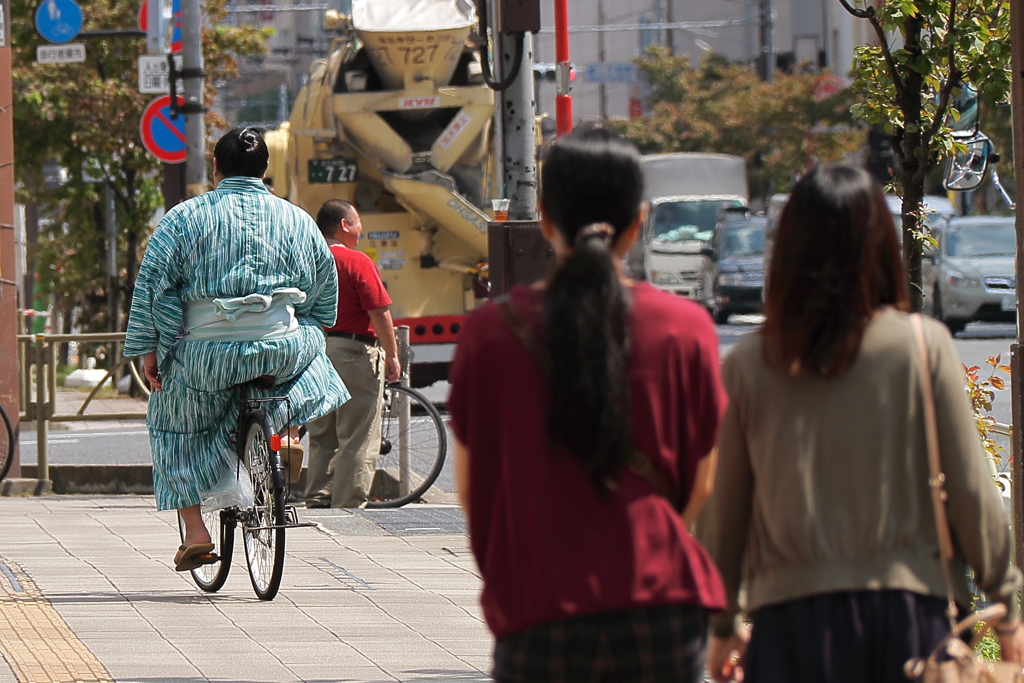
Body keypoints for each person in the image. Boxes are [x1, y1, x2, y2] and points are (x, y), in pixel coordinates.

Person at [699, 164, 1024, 682]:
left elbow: (724, 513)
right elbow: (970, 490)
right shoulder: (922, 346)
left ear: (786, 253)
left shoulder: (750, 365)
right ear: (881, 247)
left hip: (791, 625)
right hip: (911, 618)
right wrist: (1004, 603)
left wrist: (722, 626)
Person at [448, 129, 727, 682]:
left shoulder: (490, 333)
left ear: (546, 219)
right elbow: (702, 483)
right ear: (638, 221)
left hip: (540, 610)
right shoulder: (685, 328)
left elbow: (474, 490)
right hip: (659, 604)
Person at [124, 128, 350, 572]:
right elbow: (324, 292)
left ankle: (195, 531)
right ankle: (286, 433)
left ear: (215, 168)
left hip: (206, 355)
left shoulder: (184, 218)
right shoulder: (297, 219)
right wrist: (307, 322)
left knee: (173, 425)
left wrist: (151, 350)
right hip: (279, 347)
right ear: (265, 169)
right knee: (312, 351)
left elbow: (153, 286)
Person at [304, 200, 401, 509]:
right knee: (358, 433)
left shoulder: (306, 260)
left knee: (322, 433)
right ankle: (347, 505)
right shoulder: (356, 261)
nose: (361, 229)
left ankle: (318, 497)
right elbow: (379, 312)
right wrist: (392, 354)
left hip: (314, 351)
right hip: (353, 351)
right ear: (344, 225)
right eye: (357, 222)